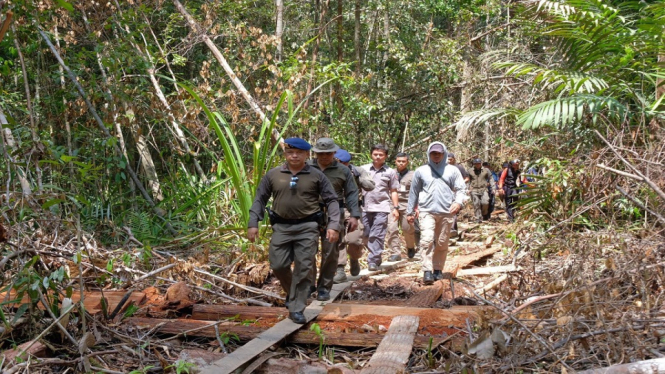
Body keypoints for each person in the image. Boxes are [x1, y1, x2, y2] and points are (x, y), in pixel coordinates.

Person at [247, 138, 340, 324]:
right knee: (278, 264)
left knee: (304, 267)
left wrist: (333, 225)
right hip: (281, 227)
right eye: (290, 152)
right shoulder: (273, 175)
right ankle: (293, 294)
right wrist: (253, 222)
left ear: (307, 155)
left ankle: (297, 307)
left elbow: (331, 200)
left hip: (308, 227)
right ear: (285, 154)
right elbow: (260, 198)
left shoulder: (316, 175)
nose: (294, 155)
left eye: (299, 153)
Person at [406, 142, 468, 284]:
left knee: (442, 241)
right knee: (427, 239)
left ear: (444, 154)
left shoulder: (452, 170)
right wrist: (410, 211)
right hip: (426, 211)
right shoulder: (421, 171)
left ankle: (438, 269)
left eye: (439, 153)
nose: (436, 155)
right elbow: (414, 192)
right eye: (433, 153)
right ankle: (427, 271)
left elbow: (461, 189)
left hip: (446, 211)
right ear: (429, 154)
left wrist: (458, 203)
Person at [308, 138, 360, 301]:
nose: (324, 156)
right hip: (309, 211)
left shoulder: (343, 171)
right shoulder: (306, 167)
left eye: (328, 153)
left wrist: (354, 215)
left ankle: (324, 286)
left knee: (330, 251)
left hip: (334, 212)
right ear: (315, 153)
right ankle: (308, 285)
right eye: (321, 153)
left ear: (334, 153)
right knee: (307, 249)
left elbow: (351, 193)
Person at [333, 149, 375, 282]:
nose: (342, 165)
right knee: (339, 240)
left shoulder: (358, 171)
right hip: (336, 208)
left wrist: (357, 177)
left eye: (345, 163)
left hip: (354, 210)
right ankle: (340, 269)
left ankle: (354, 258)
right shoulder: (329, 171)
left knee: (354, 239)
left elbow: (370, 186)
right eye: (340, 162)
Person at [361, 144, 400, 271]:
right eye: (375, 154)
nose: (378, 157)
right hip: (364, 207)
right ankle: (376, 257)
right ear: (371, 155)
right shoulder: (362, 169)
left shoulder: (390, 172)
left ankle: (373, 259)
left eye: (381, 155)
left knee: (377, 234)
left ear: (386, 156)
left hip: (382, 207)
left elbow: (393, 190)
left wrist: (396, 208)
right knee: (365, 233)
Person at [385, 152, 418, 261]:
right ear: (395, 161)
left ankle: (410, 247)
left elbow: (417, 191)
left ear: (407, 162)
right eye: (399, 161)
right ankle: (395, 252)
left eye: (403, 161)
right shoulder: (390, 173)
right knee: (392, 228)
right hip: (391, 204)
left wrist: (417, 207)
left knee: (407, 228)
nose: (401, 163)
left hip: (407, 204)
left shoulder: (413, 174)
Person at [446, 152, 469, 236]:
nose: (449, 161)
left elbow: (467, 178)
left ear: (454, 159)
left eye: (450, 159)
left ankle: (452, 229)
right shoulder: (443, 168)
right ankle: (452, 228)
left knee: (453, 209)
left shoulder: (459, 168)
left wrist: (460, 184)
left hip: (456, 192)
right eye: (447, 159)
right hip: (445, 192)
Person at [468, 158, 495, 223]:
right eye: (476, 164)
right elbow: (468, 180)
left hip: (484, 189)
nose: (477, 165)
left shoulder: (486, 170)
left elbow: (491, 178)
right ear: (474, 164)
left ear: (481, 163)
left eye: (479, 164)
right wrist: (467, 189)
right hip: (474, 189)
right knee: (476, 204)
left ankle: (484, 214)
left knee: (485, 202)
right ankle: (478, 218)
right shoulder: (470, 171)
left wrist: (493, 188)